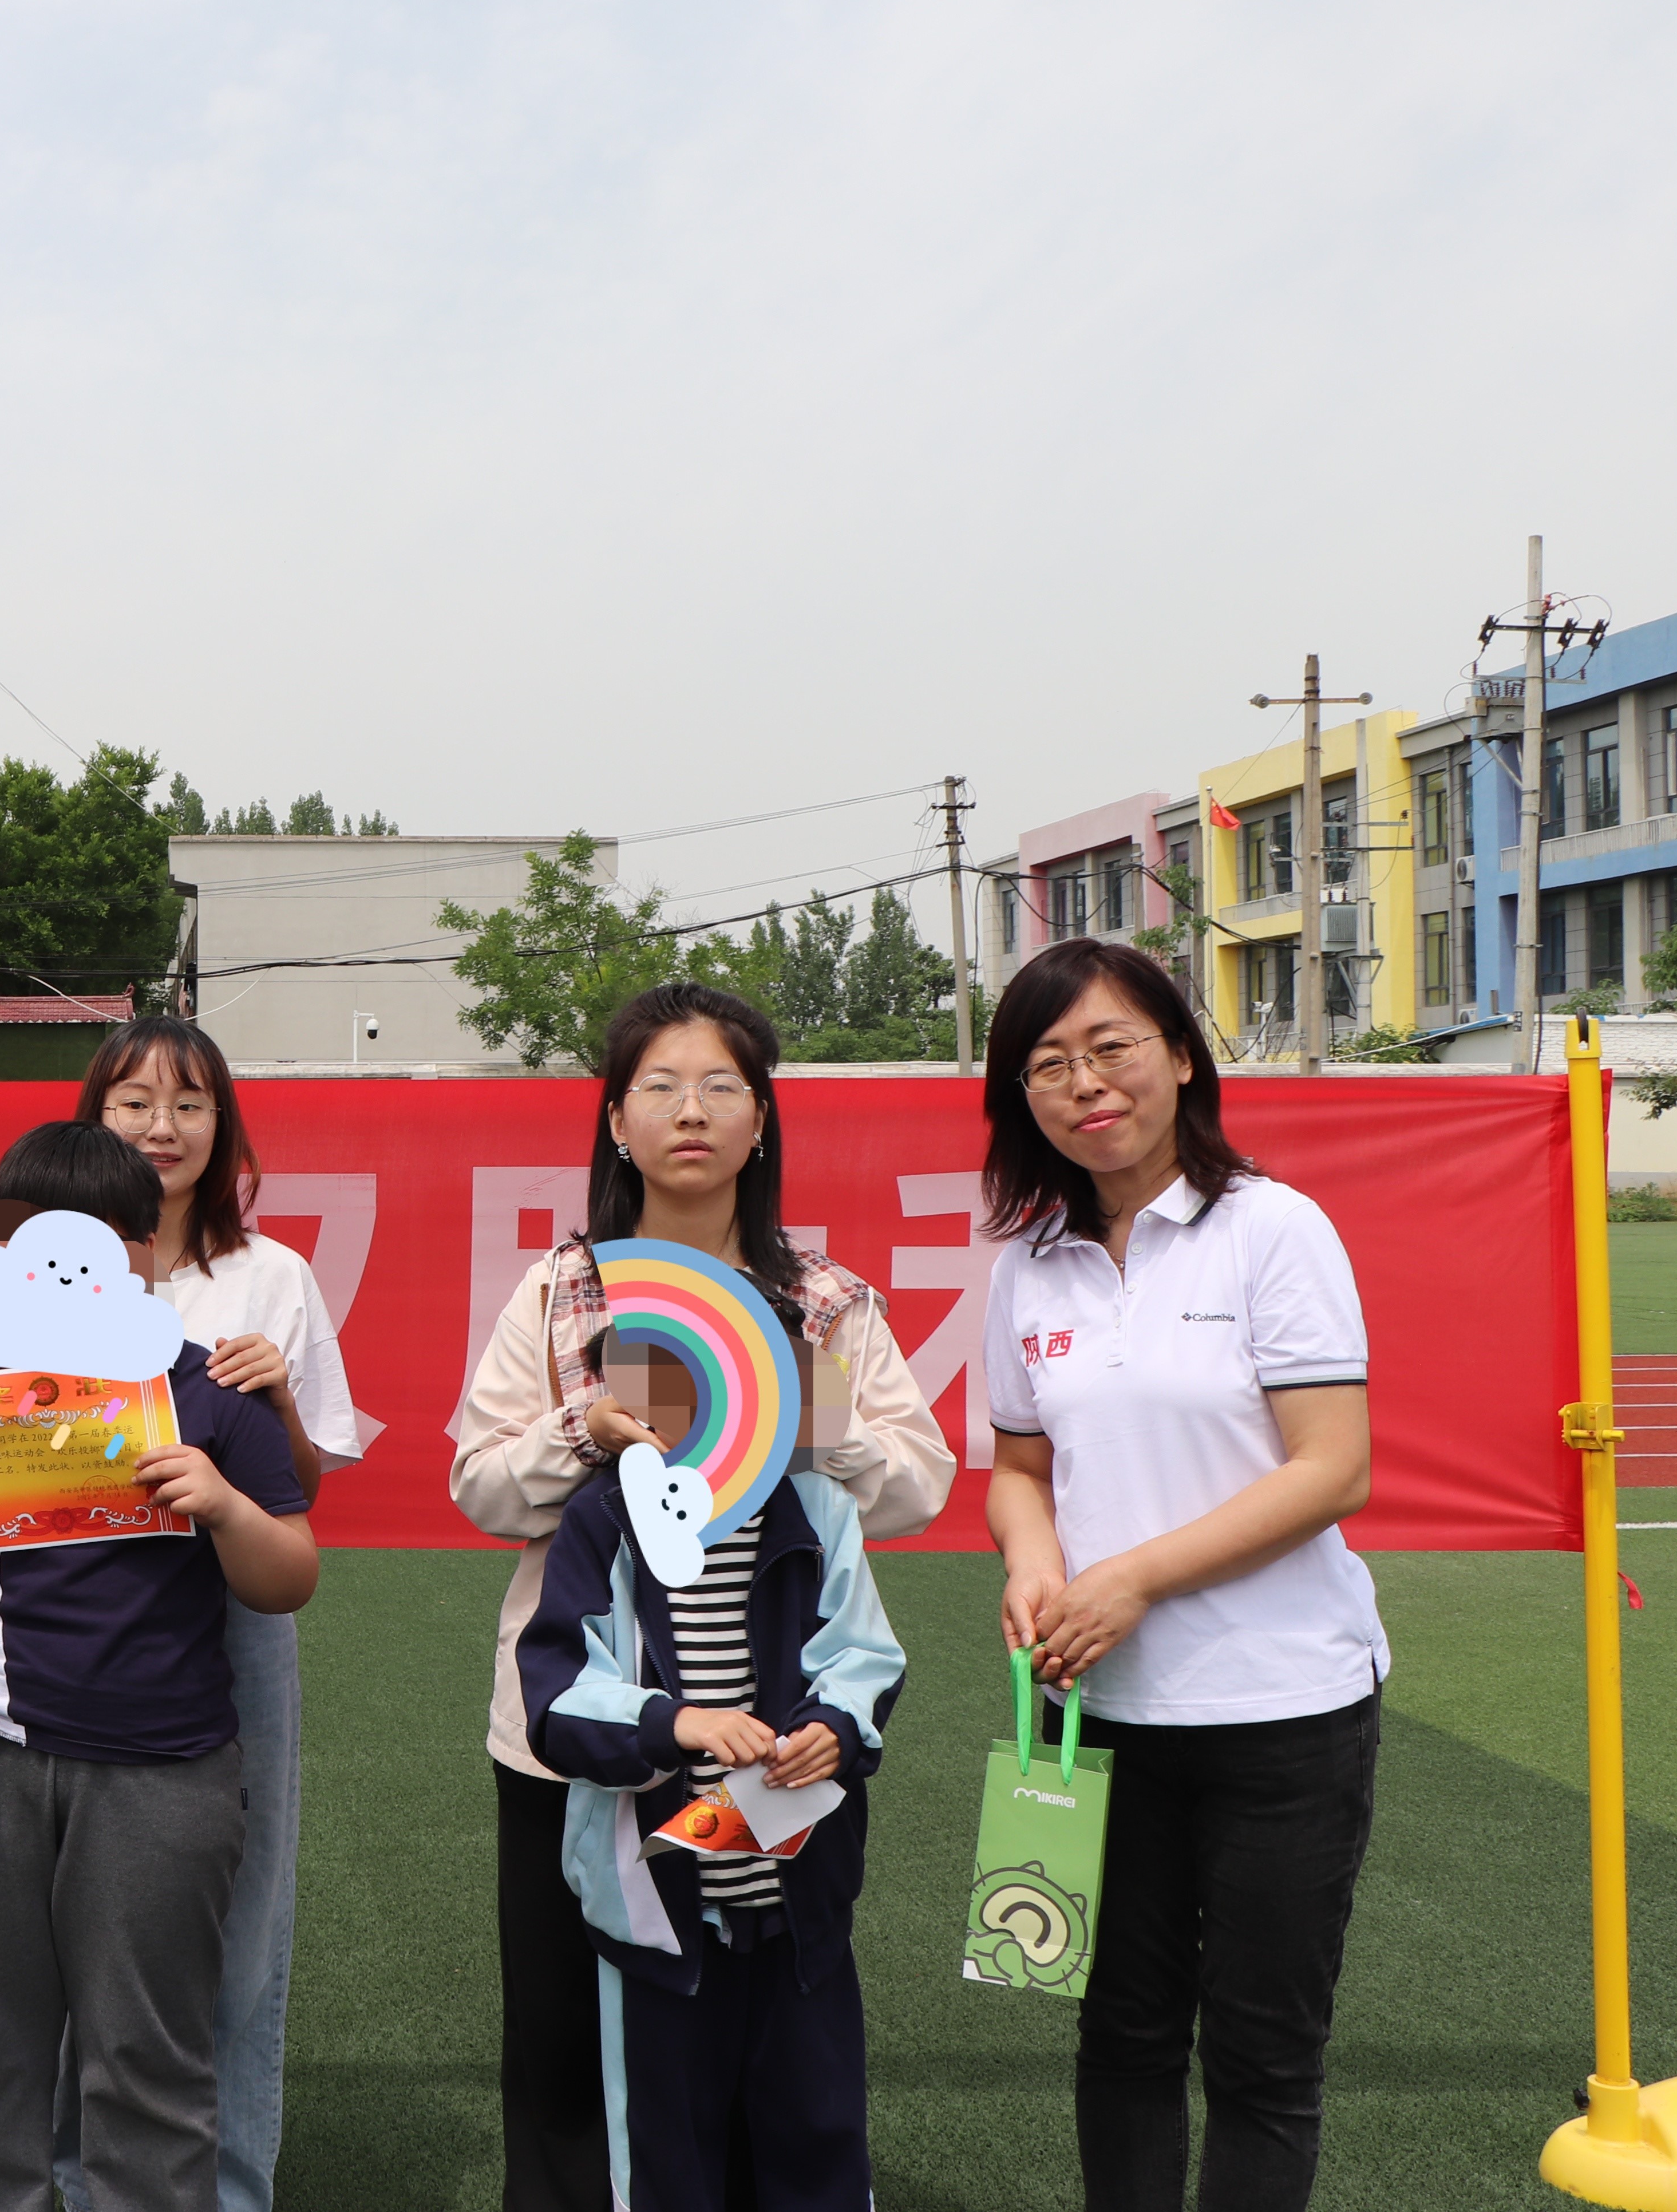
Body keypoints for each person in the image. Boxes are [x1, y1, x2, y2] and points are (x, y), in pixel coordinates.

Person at [448, 981, 954, 2211]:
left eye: (722, 1086)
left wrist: (807, 1416)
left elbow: (918, 1486)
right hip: (581, 1735)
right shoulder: (558, 1293)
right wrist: (584, 1431)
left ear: (761, 1121)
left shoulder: (826, 1303)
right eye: (661, 1087)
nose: (691, 1111)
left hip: (776, 1735)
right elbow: (481, 1487)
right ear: (616, 1122)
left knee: (768, 2018)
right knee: (576, 2044)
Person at [0, 1015, 357, 2212]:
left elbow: (291, 1566)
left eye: (97, 1247)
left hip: (160, 1761)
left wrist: (224, 1501)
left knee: (150, 2058)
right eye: (34, 1248)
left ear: (146, 1255)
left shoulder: (211, 1385)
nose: (66, 1274)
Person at [978, 938, 1385, 2212]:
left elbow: (1333, 1467)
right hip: (1099, 1714)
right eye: (1050, 1064)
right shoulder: (1027, 1261)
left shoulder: (1272, 1228)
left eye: (1113, 1048)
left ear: (1183, 1059)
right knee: (1123, 2034)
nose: (1086, 1083)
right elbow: (1018, 1467)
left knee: (1263, 2055)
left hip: (1283, 1709)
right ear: (1022, 1097)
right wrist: (1035, 1560)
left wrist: (1135, 1579)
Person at [511, 1302, 907, 2212]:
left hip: (800, 1909)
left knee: (820, 2145)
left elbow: (867, 1656)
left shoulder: (817, 1506)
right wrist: (675, 1723)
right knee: (665, 2165)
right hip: (658, 1919)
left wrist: (835, 1726)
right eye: (667, 1391)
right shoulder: (605, 1520)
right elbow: (557, 1699)